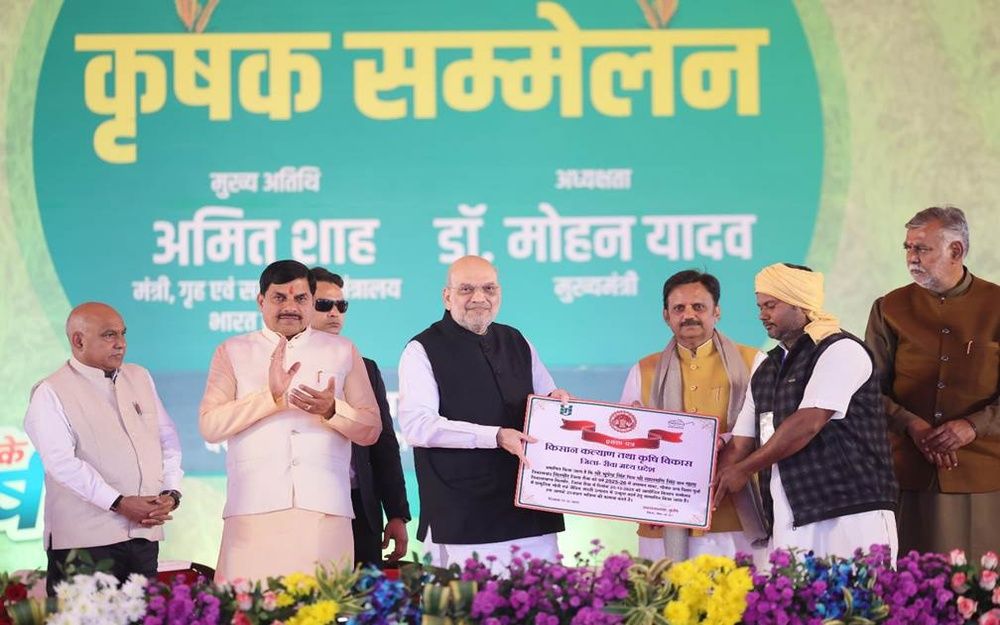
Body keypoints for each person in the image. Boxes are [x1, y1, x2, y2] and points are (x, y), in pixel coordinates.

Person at [199, 260, 381, 582]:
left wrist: (332, 410)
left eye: (300, 299)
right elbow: (210, 426)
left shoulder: (342, 350)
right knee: (249, 606)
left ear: (311, 301)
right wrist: (269, 398)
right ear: (261, 301)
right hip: (252, 511)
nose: (290, 308)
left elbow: (371, 429)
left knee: (322, 606)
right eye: (279, 298)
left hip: (325, 511)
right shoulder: (232, 351)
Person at [714, 263, 898, 558]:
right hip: (789, 516)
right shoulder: (766, 367)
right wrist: (699, 489)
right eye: (760, 306)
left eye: (771, 305)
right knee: (794, 591)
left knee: (861, 590)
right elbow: (741, 443)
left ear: (800, 304)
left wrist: (744, 469)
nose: (762, 315)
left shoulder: (841, 350)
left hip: (850, 514)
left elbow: (807, 424)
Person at [397, 255, 569, 568]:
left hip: (531, 512)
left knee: (543, 598)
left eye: (489, 288)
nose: (479, 298)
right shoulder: (421, 349)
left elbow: (547, 400)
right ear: (447, 297)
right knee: (468, 600)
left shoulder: (517, 340)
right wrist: (496, 436)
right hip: (464, 516)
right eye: (466, 289)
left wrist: (558, 404)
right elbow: (418, 426)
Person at [865, 206, 999, 556]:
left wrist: (973, 426)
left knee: (979, 583)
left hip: (985, 474)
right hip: (907, 473)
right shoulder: (889, 307)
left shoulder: (997, 305)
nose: (912, 258)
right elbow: (867, 391)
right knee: (910, 580)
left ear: (956, 250)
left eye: (922, 249)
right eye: (908, 248)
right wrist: (911, 425)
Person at [24, 302, 183, 595]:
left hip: (143, 538)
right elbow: (61, 464)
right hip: (84, 545)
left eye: (123, 334)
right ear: (78, 341)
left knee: (144, 614)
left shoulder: (139, 377)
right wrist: (119, 502)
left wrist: (171, 493)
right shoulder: (51, 391)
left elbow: (167, 441)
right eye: (109, 335)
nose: (121, 343)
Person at [620, 270, 764, 561]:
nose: (689, 315)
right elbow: (626, 445)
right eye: (679, 308)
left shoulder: (753, 362)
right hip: (663, 517)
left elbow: (770, 428)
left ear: (716, 311)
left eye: (698, 307)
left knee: (744, 591)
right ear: (666, 316)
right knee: (666, 590)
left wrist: (724, 442)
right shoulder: (644, 369)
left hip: (735, 517)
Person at [310, 267, 411, 566]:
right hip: (306, 509)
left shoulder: (365, 368)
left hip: (360, 508)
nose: (334, 313)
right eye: (324, 305)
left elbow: (385, 445)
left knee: (364, 594)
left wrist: (396, 513)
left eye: (341, 305)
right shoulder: (284, 366)